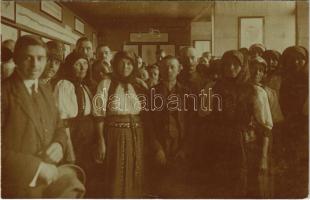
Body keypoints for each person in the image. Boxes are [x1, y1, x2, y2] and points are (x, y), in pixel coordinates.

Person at [1, 35, 85, 198]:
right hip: (18, 186)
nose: (35, 65)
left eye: (40, 59)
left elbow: (59, 126)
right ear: (17, 59)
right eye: (28, 58)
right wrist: (37, 168)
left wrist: (60, 144)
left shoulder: (45, 89)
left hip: (47, 185)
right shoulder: (4, 92)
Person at [93, 51, 146, 198]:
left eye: (129, 63)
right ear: (115, 65)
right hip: (115, 136)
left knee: (134, 173)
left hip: (136, 136)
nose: (125, 67)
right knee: (116, 175)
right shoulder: (106, 83)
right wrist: (100, 140)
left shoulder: (137, 84)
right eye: (122, 63)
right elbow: (98, 114)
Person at [145, 55, 192, 197]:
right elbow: (148, 124)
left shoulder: (187, 93)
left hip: (180, 147)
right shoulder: (151, 93)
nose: (168, 70)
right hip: (159, 147)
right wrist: (157, 148)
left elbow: (192, 124)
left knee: (178, 190)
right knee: (157, 188)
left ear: (179, 70)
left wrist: (185, 149)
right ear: (159, 69)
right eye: (165, 67)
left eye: (172, 67)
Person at [54, 51, 96, 197]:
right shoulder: (64, 85)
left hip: (87, 138)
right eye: (78, 64)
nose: (82, 67)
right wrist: (69, 148)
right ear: (70, 66)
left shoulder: (85, 86)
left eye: (85, 63)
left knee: (87, 176)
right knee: (74, 177)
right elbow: (62, 121)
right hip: (73, 136)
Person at [210, 50, 250, 197]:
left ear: (242, 66)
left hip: (242, 140)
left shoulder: (250, 88)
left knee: (239, 178)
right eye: (227, 65)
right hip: (220, 137)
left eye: (235, 64)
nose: (231, 68)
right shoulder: (216, 87)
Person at [279, 46, 308, 198]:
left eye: (300, 58)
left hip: (304, 127)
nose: (296, 62)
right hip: (288, 126)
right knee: (291, 162)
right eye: (292, 59)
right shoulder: (285, 79)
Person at [245, 56, 274, 198]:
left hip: (254, 144)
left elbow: (266, 127)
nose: (257, 73)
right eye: (253, 69)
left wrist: (263, 157)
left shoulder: (259, 92)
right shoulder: (238, 88)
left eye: (261, 70)